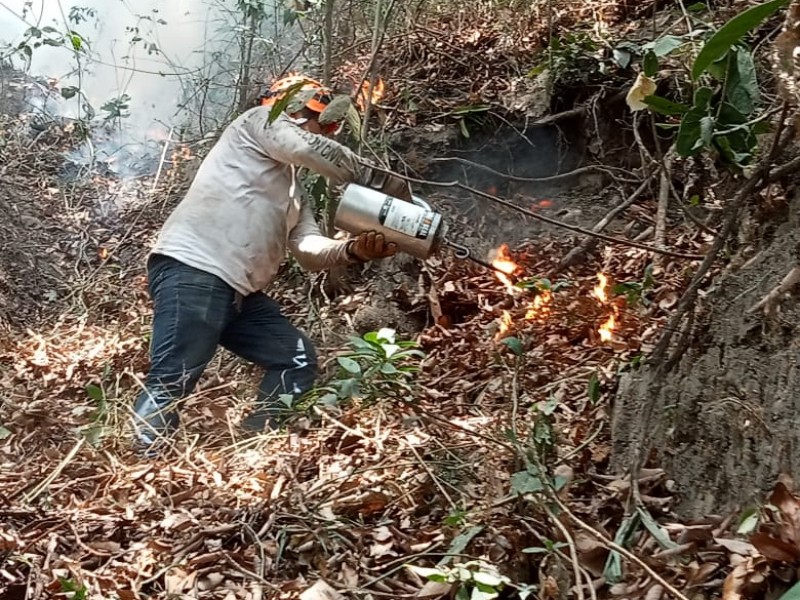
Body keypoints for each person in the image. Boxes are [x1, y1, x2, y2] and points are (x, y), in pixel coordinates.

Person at [132, 74, 412, 451]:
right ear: (295, 110)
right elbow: (302, 145)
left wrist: (355, 251)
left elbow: (309, 247)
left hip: (239, 292)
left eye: (332, 125)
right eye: (324, 122)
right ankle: (145, 457)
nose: (328, 133)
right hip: (196, 268)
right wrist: (379, 178)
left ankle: (255, 444)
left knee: (294, 359)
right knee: (173, 376)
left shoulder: (295, 189)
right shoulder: (256, 122)